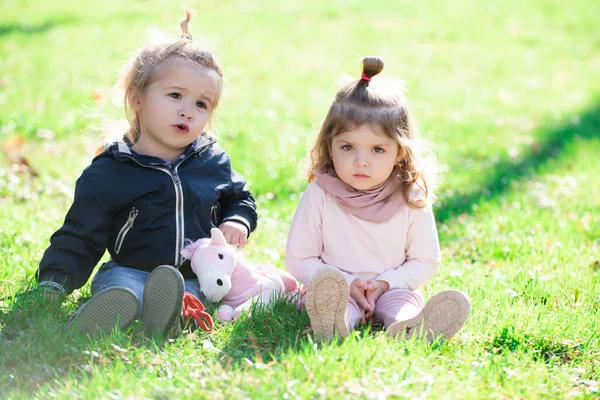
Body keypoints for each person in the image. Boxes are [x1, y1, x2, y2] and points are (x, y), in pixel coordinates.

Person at [36, 8, 257, 337]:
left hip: (191, 274)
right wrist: (55, 281)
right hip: (130, 270)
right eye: (175, 96)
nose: (188, 110)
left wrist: (237, 219)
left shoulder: (211, 160)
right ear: (137, 98)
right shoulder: (111, 171)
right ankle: (108, 316)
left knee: (191, 296)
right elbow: (80, 235)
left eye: (202, 104)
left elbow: (240, 197)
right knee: (123, 290)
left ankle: (169, 314)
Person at [285, 56, 471, 342]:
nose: (361, 162)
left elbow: (425, 260)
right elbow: (300, 258)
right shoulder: (321, 193)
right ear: (329, 147)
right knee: (333, 301)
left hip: (393, 287)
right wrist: (346, 283)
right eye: (348, 147)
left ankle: (409, 327)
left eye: (377, 150)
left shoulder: (410, 196)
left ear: (400, 152)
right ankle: (336, 324)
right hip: (335, 287)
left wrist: (386, 283)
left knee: (401, 304)